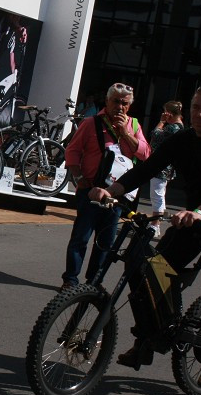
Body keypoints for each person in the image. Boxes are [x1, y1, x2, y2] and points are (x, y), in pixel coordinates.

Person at [89, 83, 201, 389]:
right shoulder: (183, 140)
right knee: (150, 267)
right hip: (195, 217)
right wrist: (111, 190)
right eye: (196, 107)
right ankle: (149, 337)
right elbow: (148, 167)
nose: (200, 114)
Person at [60, 83, 150, 292]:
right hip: (90, 190)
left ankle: (93, 283)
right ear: (107, 102)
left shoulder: (135, 126)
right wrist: (79, 176)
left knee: (105, 241)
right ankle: (70, 280)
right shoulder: (92, 123)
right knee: (81, 237)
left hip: (117, 194)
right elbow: (72, 151)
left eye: (125, 103)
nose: (120, 107)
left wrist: (125, 134)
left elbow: (146, 154)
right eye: (116, 102)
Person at [147, 101, 184, 237]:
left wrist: (161, 122)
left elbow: (155, 135)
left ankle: (155, 224)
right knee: (160, 195)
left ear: (169, 113)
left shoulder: (172, 128)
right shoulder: (180, 127)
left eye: (164, 111)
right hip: (167, 167)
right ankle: (156, 223)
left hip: (161, 167)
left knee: (156, 195)